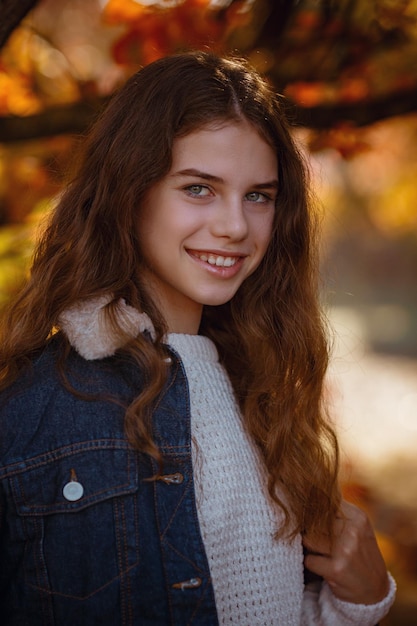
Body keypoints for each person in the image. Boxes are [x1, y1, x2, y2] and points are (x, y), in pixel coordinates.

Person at [0, 50, 395, 625]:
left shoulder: (264, 395)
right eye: (198, 188)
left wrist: (361, 598)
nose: (236, 225)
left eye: (258, 194)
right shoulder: (33, 415)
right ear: (128, 191)